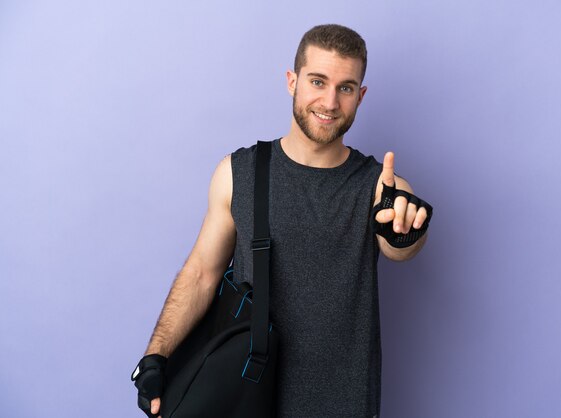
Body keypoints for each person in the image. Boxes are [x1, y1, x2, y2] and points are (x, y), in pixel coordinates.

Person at [132, 23, 432, 418]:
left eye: (345, 88)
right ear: (292, 81)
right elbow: (202, 272)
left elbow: (401, 247)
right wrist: (155, 356)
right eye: (317, 81)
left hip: (343, 405)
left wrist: (405, 229)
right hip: (245, 399)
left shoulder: (380, 187)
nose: (329, 101)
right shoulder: (238, 172)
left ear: (360, 96)